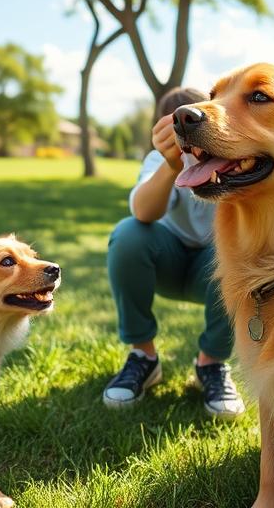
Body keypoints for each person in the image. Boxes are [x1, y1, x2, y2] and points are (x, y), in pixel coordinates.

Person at [102, 87, 245, 419]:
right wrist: (171, 164)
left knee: (237, 249)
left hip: (215, 273)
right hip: (166, 263)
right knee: (127, 234)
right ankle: (143, 356)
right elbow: (143, 213)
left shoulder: (234, 157)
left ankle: (211, 363)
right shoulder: (157, 160)